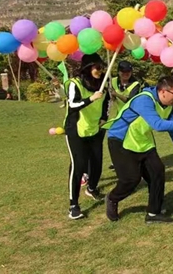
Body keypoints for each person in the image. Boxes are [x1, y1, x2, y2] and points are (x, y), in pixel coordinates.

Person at [105, 76, 173, 223]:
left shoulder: (169, 105)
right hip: (121, 140)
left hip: (143, 141)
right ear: (163, 92)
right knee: (131, 179)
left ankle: (153, 213)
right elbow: (157, 124)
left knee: (157, 172)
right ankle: (112, 198)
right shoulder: (144, 100)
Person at [63, 54, 110, 220]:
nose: (100, 70)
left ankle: (92, 188)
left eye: (101, 67)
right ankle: (73, 205)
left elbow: (106, 101)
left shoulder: (103, 83)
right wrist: (91, 98)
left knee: (97, 162)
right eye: (97, 67)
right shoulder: (74, 83)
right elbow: (73, 105)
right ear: (88, 68)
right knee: (79, 165)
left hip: (95, 128)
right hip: (75, 129)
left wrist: (104, 116)